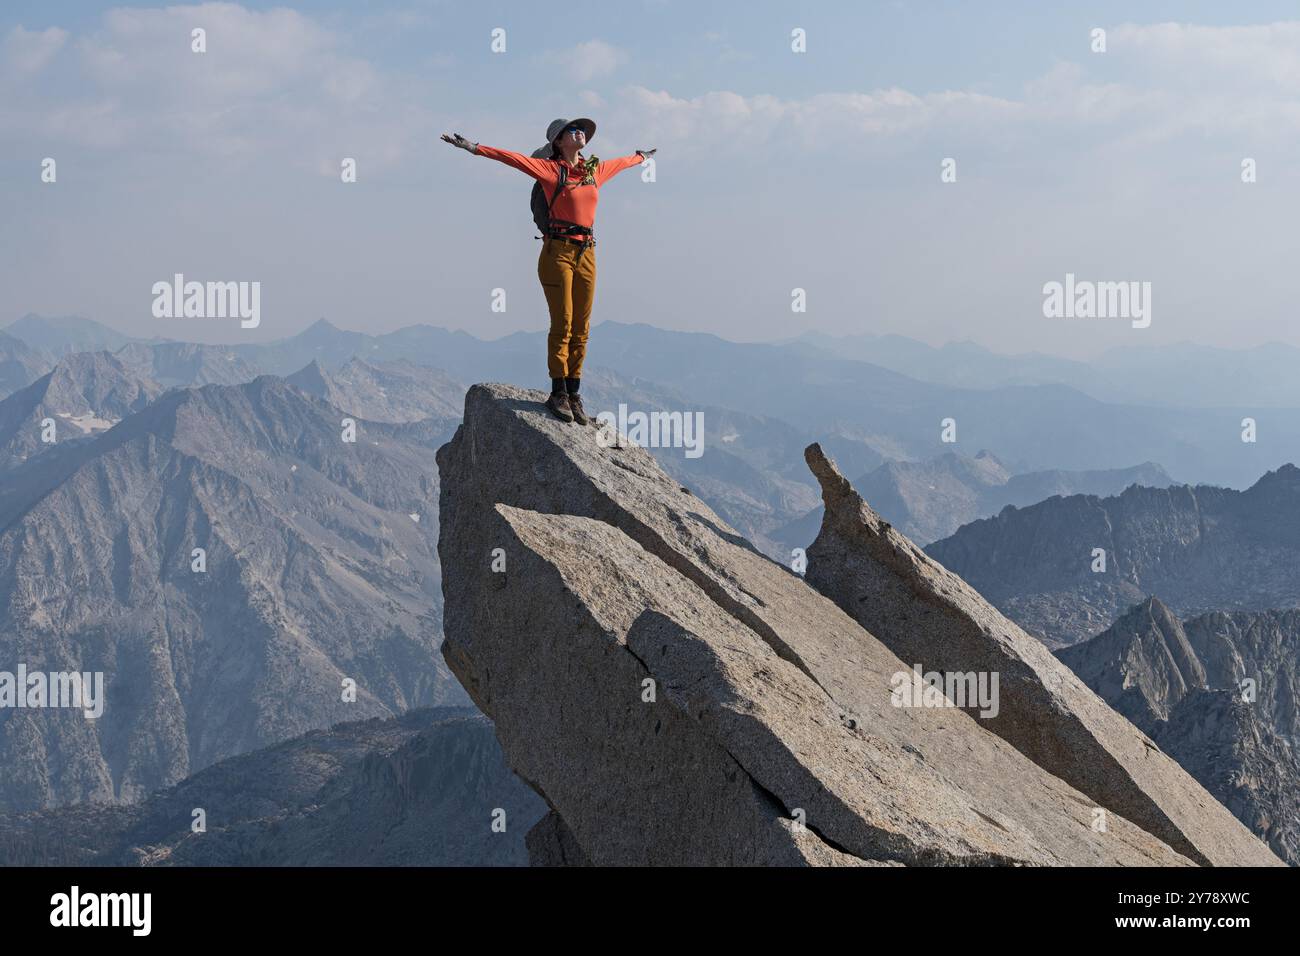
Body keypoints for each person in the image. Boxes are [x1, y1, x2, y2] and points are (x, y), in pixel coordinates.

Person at [442, 118, 656, 423]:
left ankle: (574, 393)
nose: (580, 132)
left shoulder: (593, 171)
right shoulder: (551, 170)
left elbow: (621, 163)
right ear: (558, 142)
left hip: (587, 253)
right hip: (558, 252)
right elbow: (512, 159)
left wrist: (641, 157)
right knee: (564, 323)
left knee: (582, 328)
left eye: (581, 130)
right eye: (572, 130)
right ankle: (558, 394)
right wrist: (473, 147)